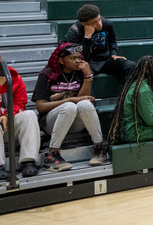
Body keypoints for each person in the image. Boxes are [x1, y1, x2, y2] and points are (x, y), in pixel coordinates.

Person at [33, 43, 105, 171]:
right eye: (73, 58)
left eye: (79, 57)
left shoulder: (81, 73)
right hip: (52, 123)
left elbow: (83, 99)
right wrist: (71, 99)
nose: (77, 61)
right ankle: (52, 155)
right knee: (69, 106)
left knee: (85, 104)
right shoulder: (46, 74)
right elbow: (40, 106)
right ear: (61, 60)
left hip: (75, 122)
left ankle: (99, 148)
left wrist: (88, 76)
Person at [63, 4, 135, 83]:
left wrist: (113, 53)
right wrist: (87, 38)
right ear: (84, 24)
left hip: (106, 60)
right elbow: (80, 57)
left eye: (99, 19)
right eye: (94, 22)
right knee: (82, 74)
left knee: (130, 65)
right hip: (88, 62)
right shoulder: (74, 33)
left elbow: (112, 40)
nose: (99, 24)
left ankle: (127, 94)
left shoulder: (107, 24)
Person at [0, 55, 40, 178]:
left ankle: (29, 161)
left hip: (8, 125)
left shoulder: (12, 76)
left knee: (29, 115)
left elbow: (20, 102)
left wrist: (7, 115)